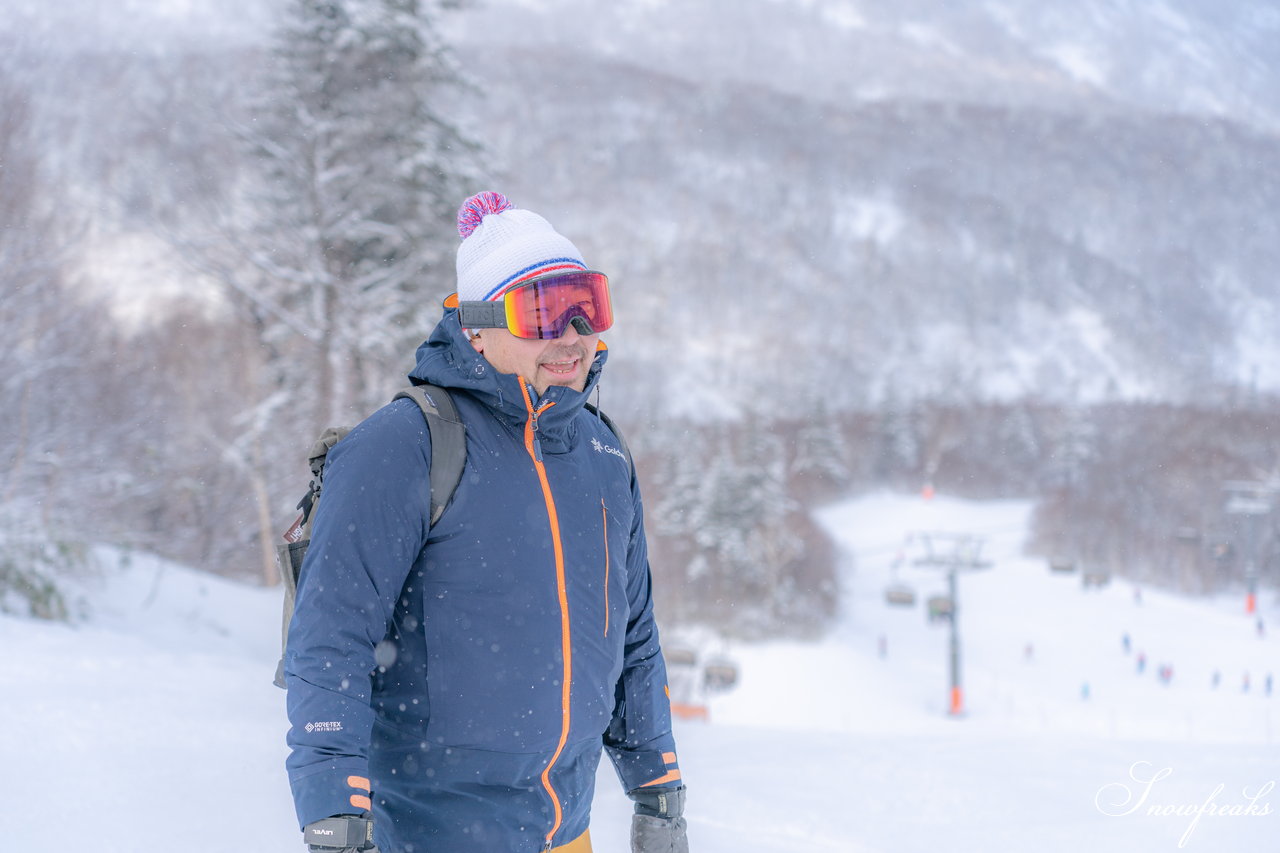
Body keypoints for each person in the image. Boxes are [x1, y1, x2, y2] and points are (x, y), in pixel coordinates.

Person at [283, 191, 688, 853]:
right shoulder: (406, 444)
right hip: (432, 833)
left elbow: (634, 637)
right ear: (475, 326)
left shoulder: (602, 452)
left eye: (588, 306)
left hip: (568, 833)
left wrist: (660, 786)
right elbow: (331, 642)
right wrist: (335, 814)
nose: (574, 336)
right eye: (544, 312)